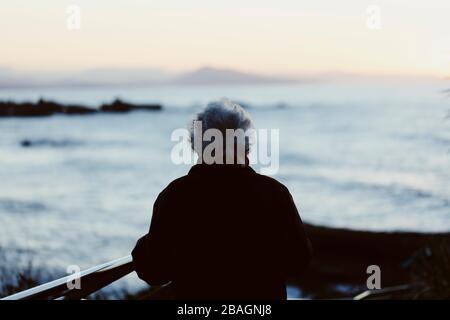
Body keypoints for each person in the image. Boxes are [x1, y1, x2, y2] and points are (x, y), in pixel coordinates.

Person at [132, 98, 312, 299]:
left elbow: (155, 271)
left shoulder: (176, 195)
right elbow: (299, 260)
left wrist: (143, 246)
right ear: (245, 148)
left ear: (198, 148)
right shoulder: (274, 193)